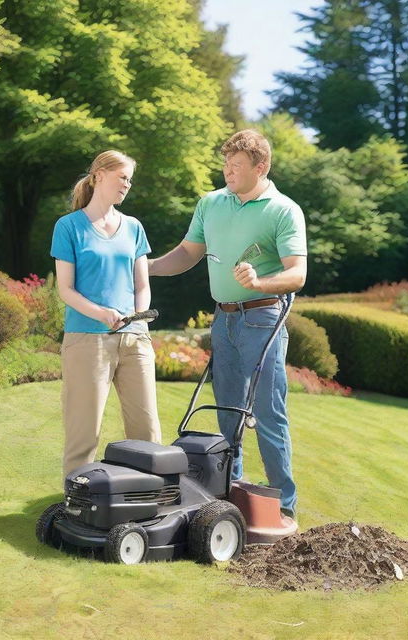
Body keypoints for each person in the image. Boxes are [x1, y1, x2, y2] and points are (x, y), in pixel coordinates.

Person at [149, 130, 307, 520]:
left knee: (268, 412)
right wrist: (145, 268)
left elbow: (298, 273)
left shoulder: (283, 210)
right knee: (226, 412)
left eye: (236, 166)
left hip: (263, 318)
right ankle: (229, 494)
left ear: (261, 167)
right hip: (224, 319)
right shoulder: (211, 204)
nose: (228, 172)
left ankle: (282, 507)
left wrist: (259, 283)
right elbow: (187, 253)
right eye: (226, 164)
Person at [51, 150, 161, 477]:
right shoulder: (68, 227)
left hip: (134, 340)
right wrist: (101, 313)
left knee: (147, 431)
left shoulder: (134, 228)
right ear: (99, 175)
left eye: (130, 180)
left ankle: (152, 498)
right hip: (87, 340)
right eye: (122, 177)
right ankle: (77, 504)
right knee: (83, 433)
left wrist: (138, 318)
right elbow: (66, 290)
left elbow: (142, 283)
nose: (127, 185)